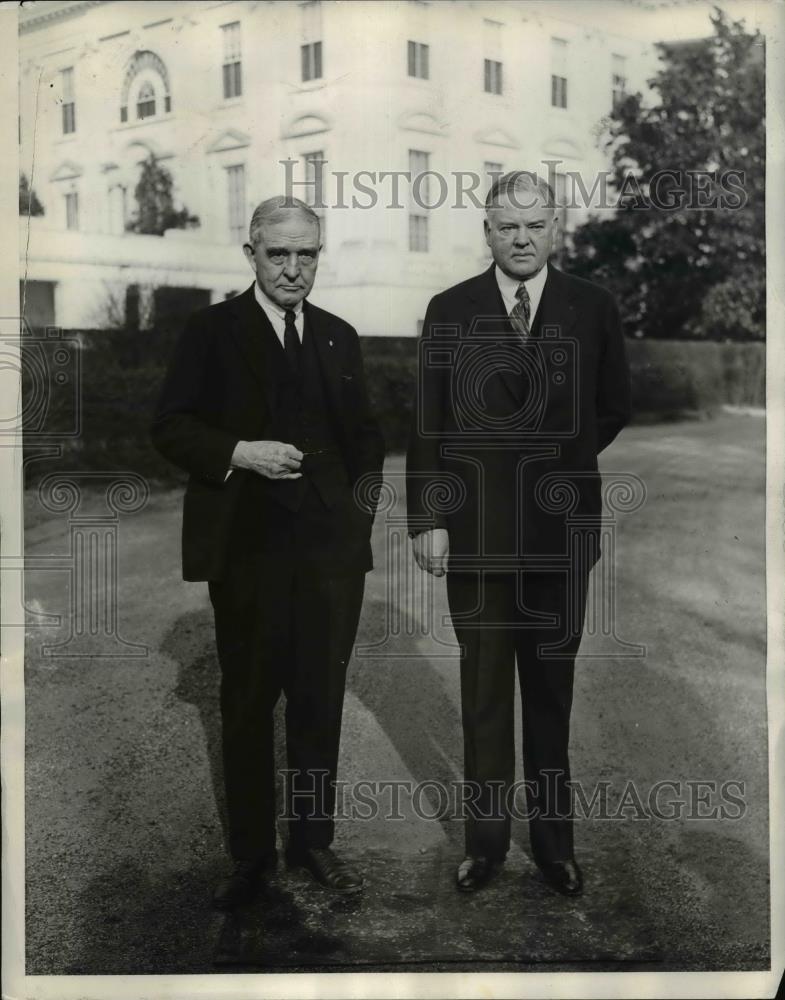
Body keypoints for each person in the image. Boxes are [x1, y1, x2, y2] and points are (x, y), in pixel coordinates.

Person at [152, 196, 385, 909]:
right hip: (246, 551)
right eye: (278, 253)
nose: (292, 268)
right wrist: (238, 452)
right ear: (250, 254)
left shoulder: (340, 337)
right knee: (249, 702)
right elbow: (169, 426)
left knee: (318, 702)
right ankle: (252, 856)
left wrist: (353, 528)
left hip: (328, 559)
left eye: (305, 253)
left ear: (319, 255)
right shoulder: (210, 330)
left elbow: (366, 444)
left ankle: (313, 843)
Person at [406, 171, 630, 897]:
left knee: (549, 696)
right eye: (508, 226)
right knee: (481, 698)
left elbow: (612, 406)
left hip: (558, 535)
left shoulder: (591, 307)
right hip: (474, 537)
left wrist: (551, 460)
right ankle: (485, 847)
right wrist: (430, 518)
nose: (522, 238)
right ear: (487, 230)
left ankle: (555, 846)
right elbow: (428, 423)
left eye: (536, 225)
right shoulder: (449, 310)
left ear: (554, 226)